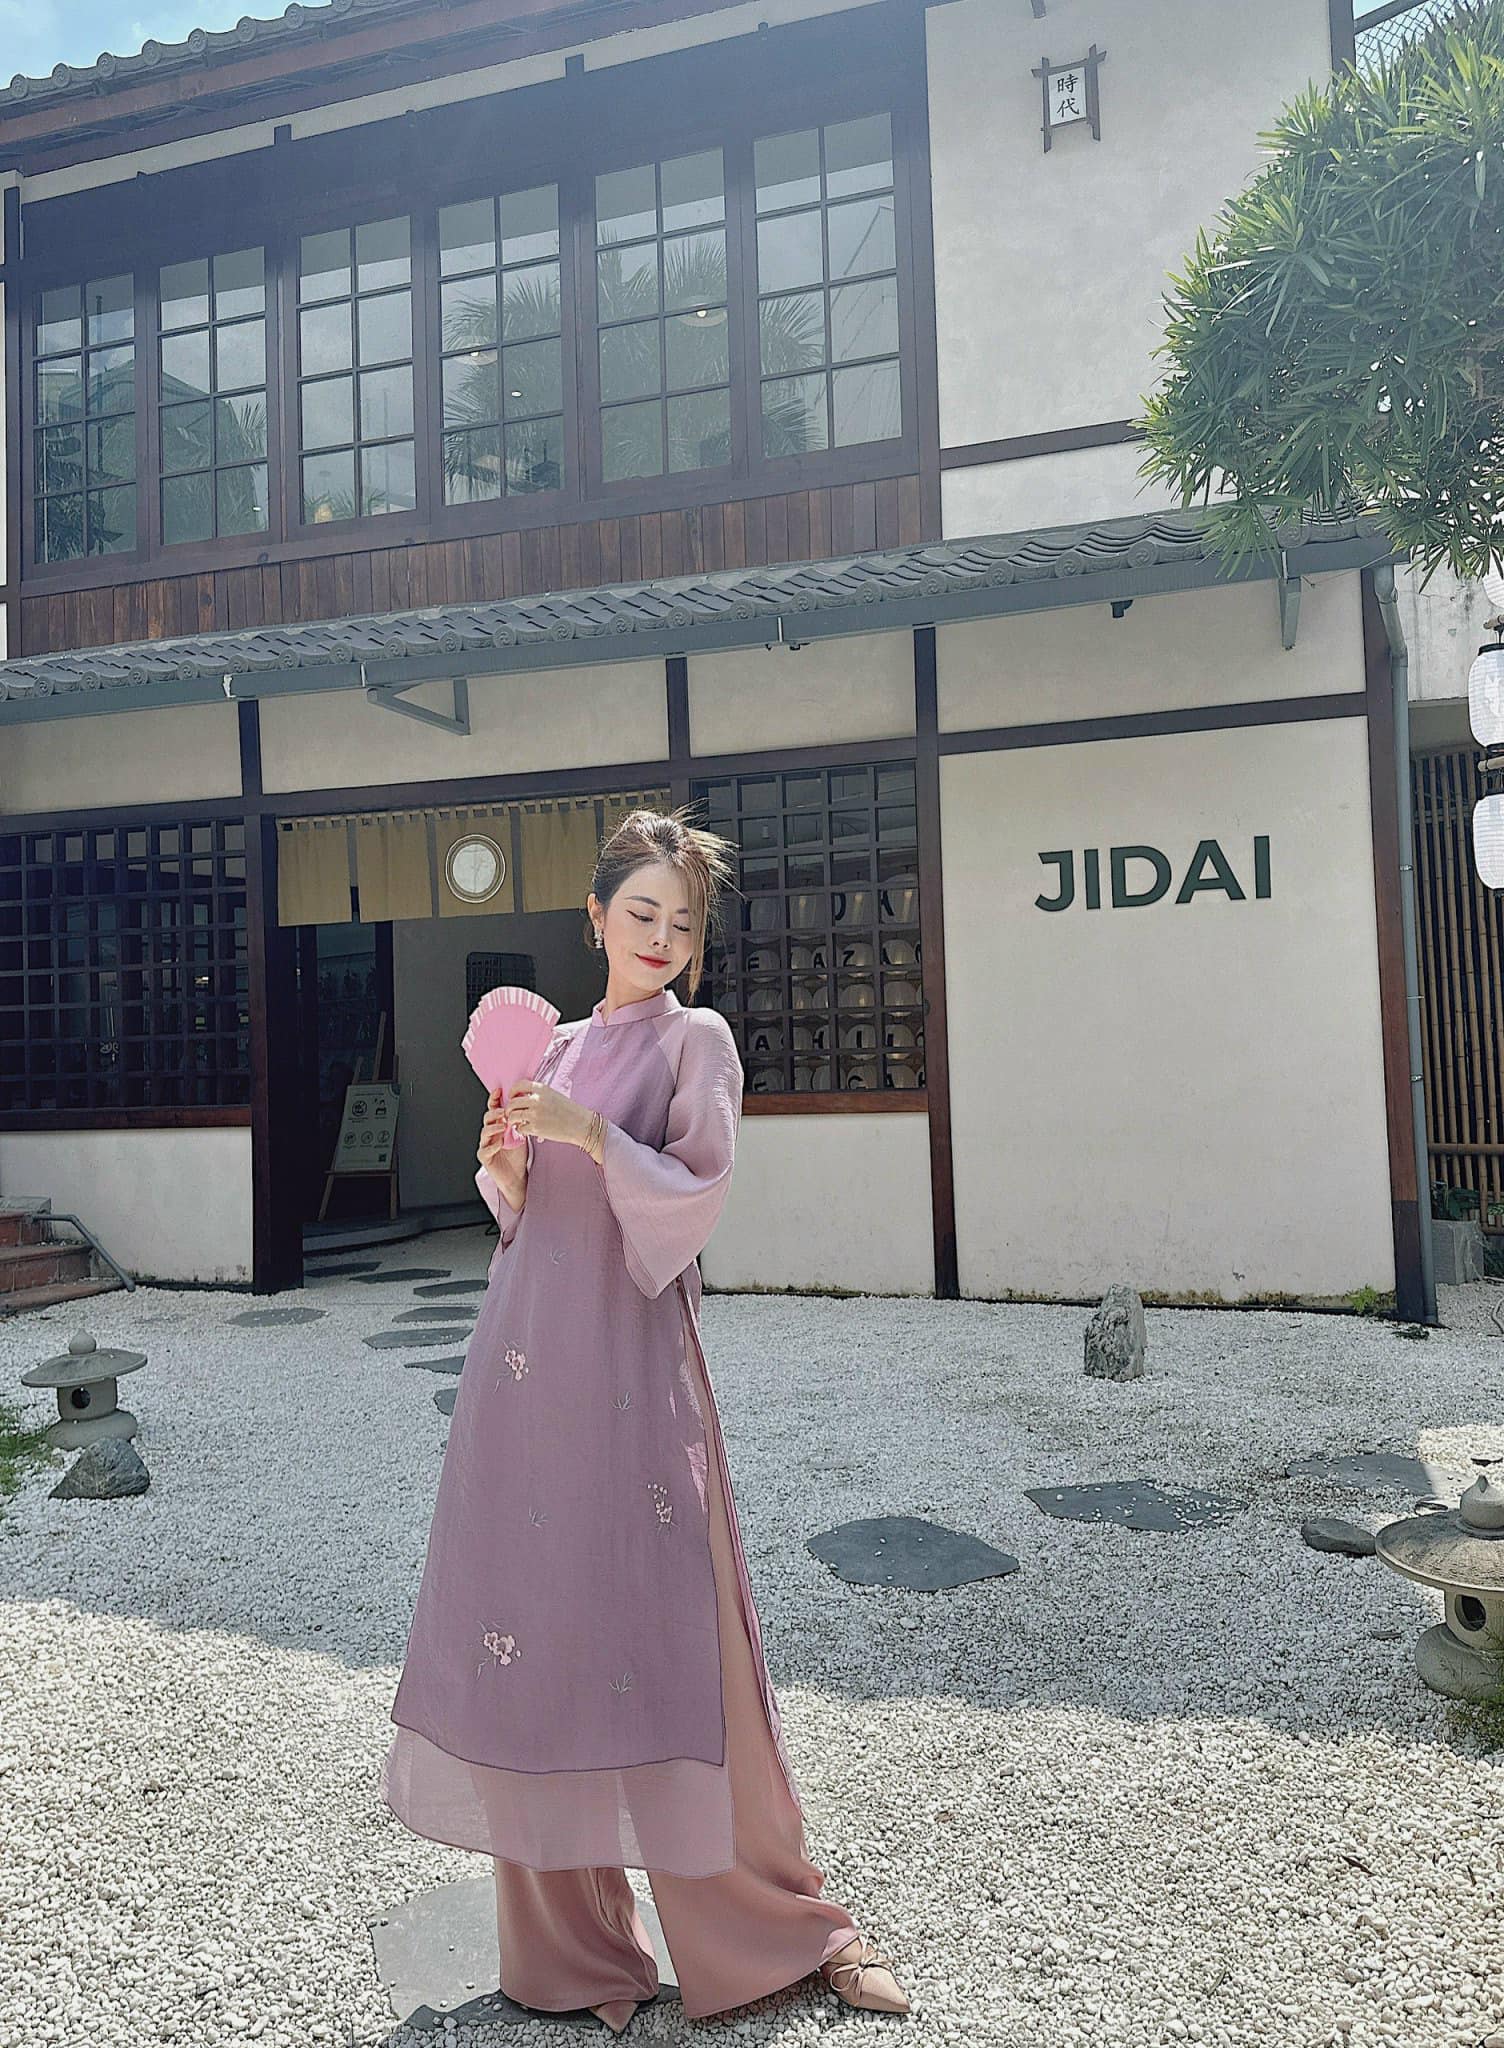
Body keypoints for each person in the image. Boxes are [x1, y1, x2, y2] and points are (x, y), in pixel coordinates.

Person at [381, 806, 910, 2031]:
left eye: (681, 919)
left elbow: (693, 1197)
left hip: (630, 1363)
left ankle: (787, 1927)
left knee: (683, 1641)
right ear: (595, 917)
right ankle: (571, 1952)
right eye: (640, 912)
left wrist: (590, 1132)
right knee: (536, 1632)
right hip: (525, 1366)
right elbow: (524, 1215)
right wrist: (509, 1161)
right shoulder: (554, 1045)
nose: (661, 935)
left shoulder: (694, 1040)